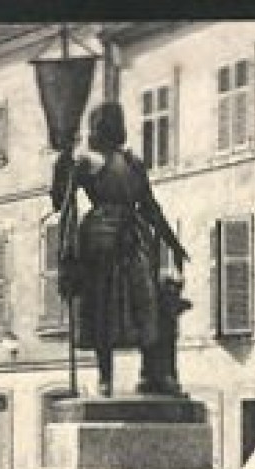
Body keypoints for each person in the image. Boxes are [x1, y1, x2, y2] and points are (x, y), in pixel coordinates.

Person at [51, 100, 189, 397]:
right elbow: (62, 200)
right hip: (100, 241)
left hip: (132, 238)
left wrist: (172, 241)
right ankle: (104, 377)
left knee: (145, 304)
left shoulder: (133, 163)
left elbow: (150, 205)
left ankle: (151, 374)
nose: (109, 127)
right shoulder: (87, 162)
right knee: (103, 308)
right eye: (105, 122)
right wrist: (63, 163)